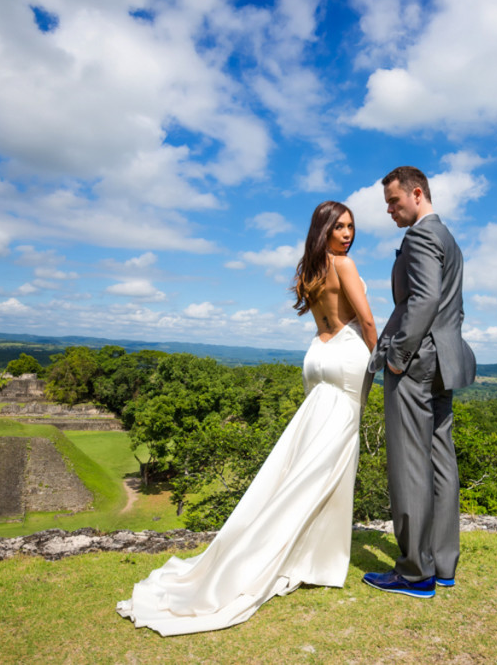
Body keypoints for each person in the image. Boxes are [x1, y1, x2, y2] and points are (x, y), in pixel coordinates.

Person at [116, 200, 375, 636]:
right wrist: (381, 360)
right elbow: (367, 320)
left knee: (307, 459)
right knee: (327, 465)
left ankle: (306, 554)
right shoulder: (343, 265)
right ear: (325, 229)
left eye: (351, 227)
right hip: (347, 356)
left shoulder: (307, 271)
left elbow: (321, 320)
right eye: (340, 227)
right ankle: (312, 558)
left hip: (317, 356)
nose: (347, 234)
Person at [364, 166, 476, 599]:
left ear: (416, 193)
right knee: (440, 460)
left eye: (393, 201)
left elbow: (425, 298)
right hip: (444, 362)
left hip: (415, 364)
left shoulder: (421, 236)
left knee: (411, 464)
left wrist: (398, 356)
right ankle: (442, 564)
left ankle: (414, 572)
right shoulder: (449, 239)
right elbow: (454, 308)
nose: (390, 211)